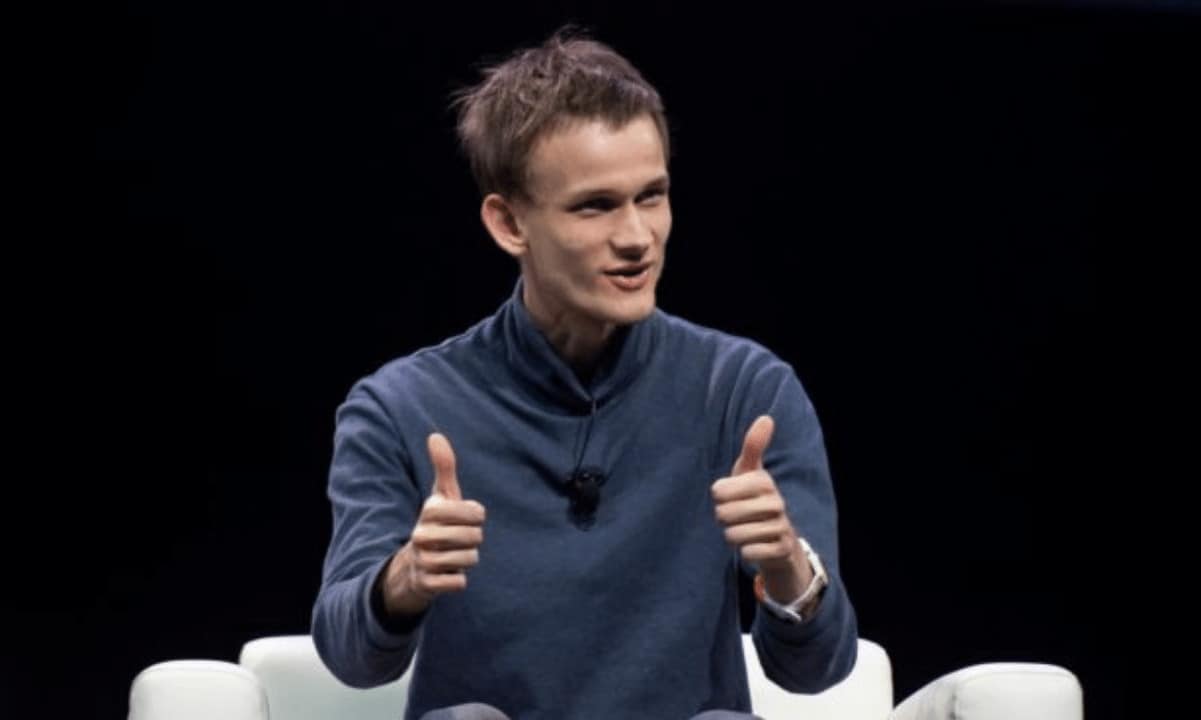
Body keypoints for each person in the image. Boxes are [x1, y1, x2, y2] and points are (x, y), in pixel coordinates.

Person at [311, 28, 858, 720]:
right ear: (509, 224)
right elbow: (349, 657)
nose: (636, 238)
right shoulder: (400, 406)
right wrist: (404, 579)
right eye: (595, 206)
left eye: (651, 196)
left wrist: (786, 566)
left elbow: (817, 671)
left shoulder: (744, 392)